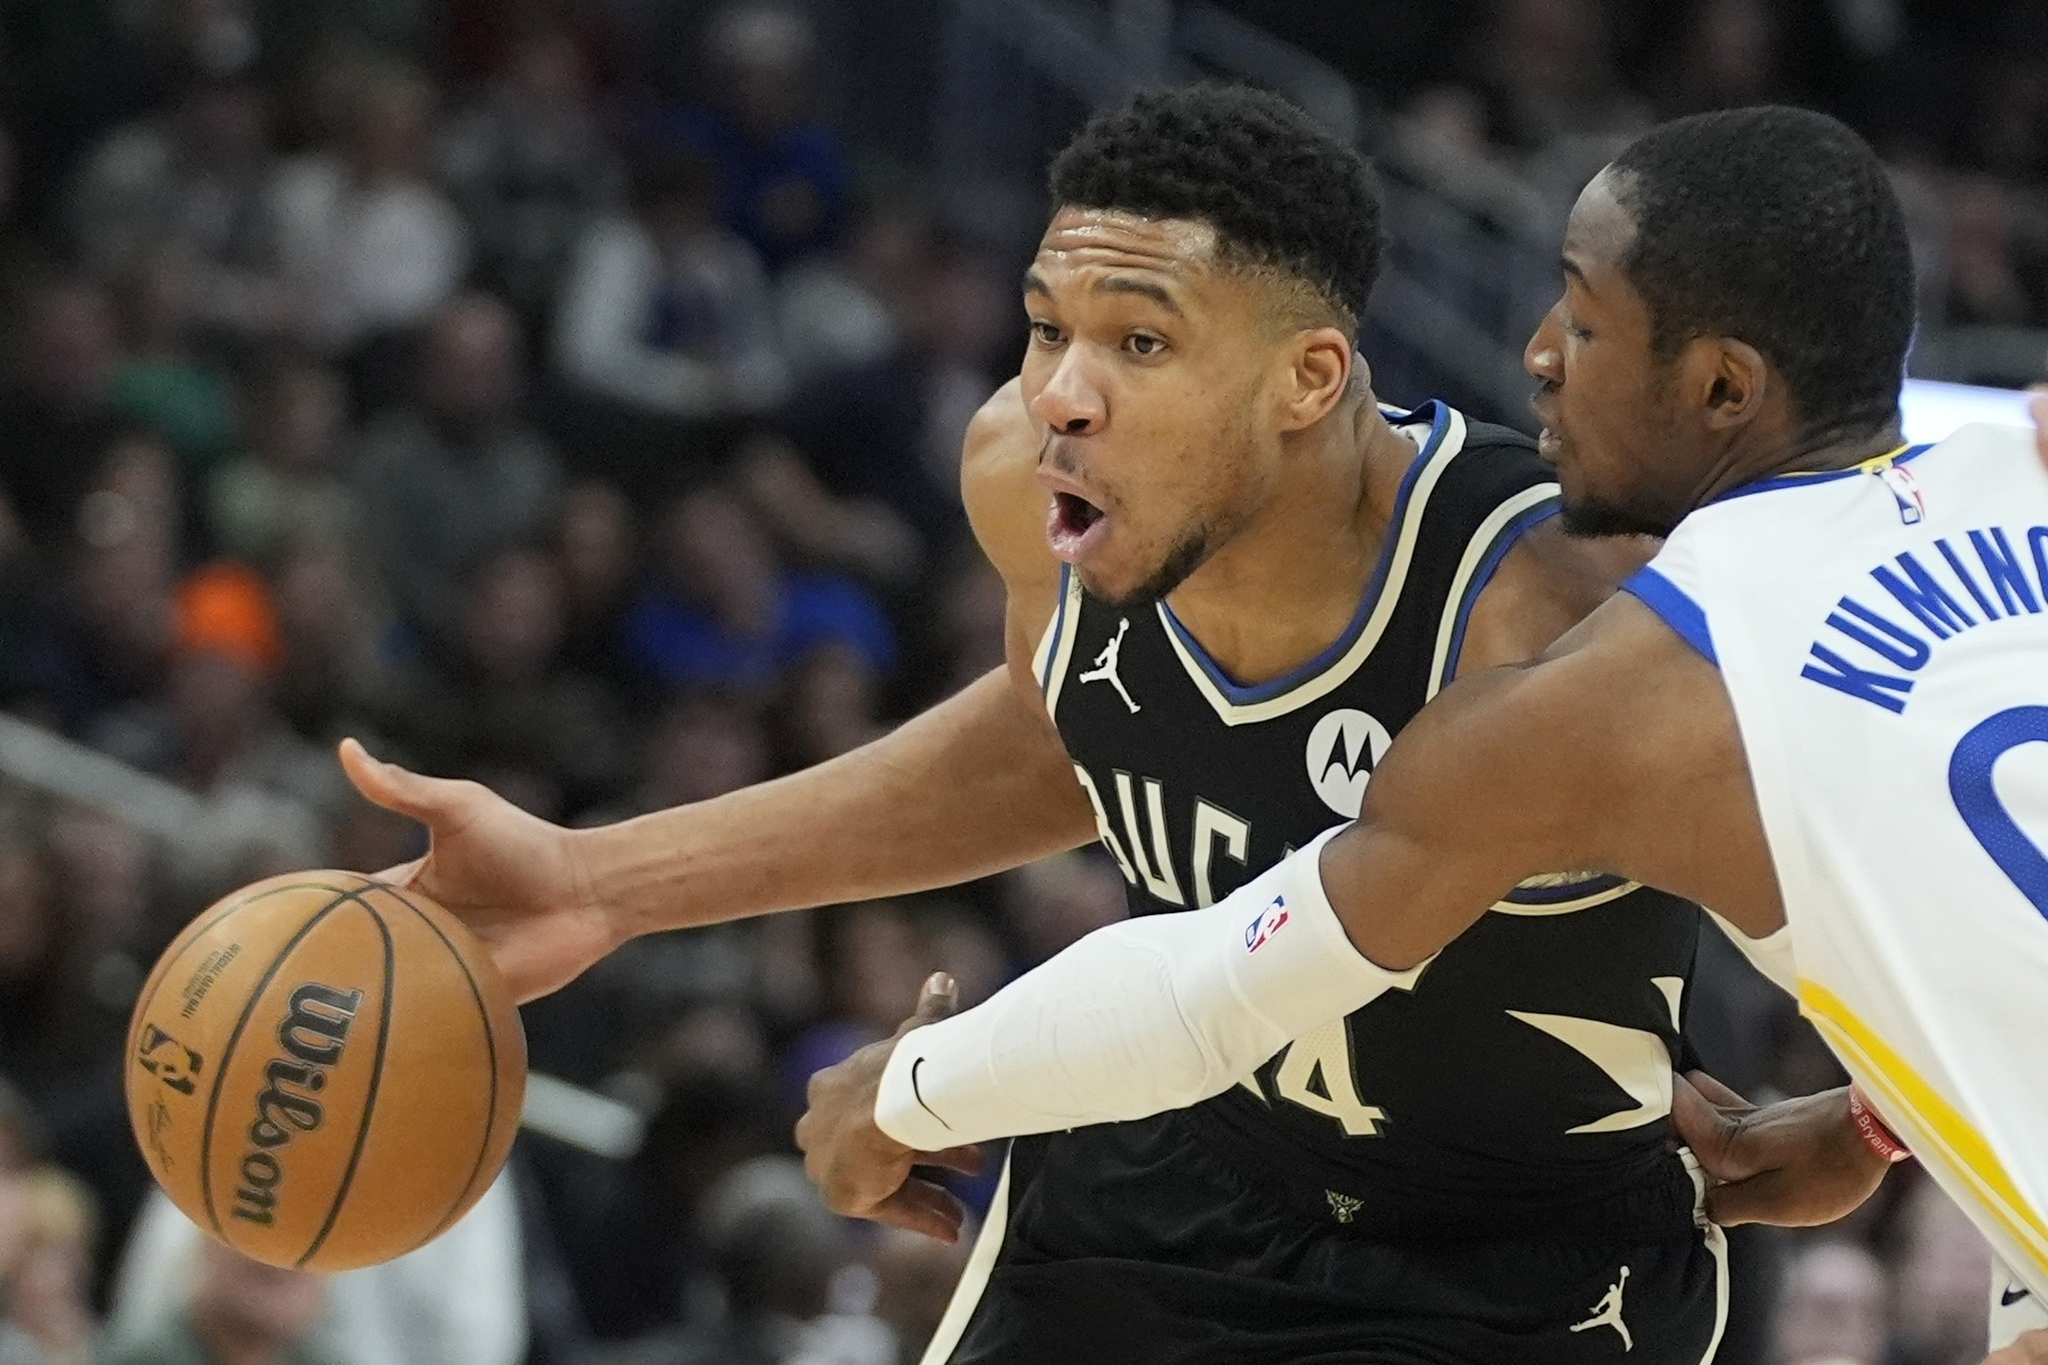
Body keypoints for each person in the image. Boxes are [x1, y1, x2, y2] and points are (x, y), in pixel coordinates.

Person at [338, 85, 1843, 1363]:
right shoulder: (1027, 478)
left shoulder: (1564, 612)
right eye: (1046, 324)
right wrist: (603, 882)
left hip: (1515, 1274)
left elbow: (1930, 894)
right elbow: (1071, 737)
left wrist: (1873, 1122)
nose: (1060, 391)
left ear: (1308, 378)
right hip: (1165, 1175)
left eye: (1139, 343)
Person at [788, 107, 2048, 1362]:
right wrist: (1903, 1107)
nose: (1538, 353)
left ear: (1722, 384)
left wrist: (907, 1087)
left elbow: (1211, 995)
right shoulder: (2022, 457)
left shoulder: (1622, 691)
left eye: (1582, 317)